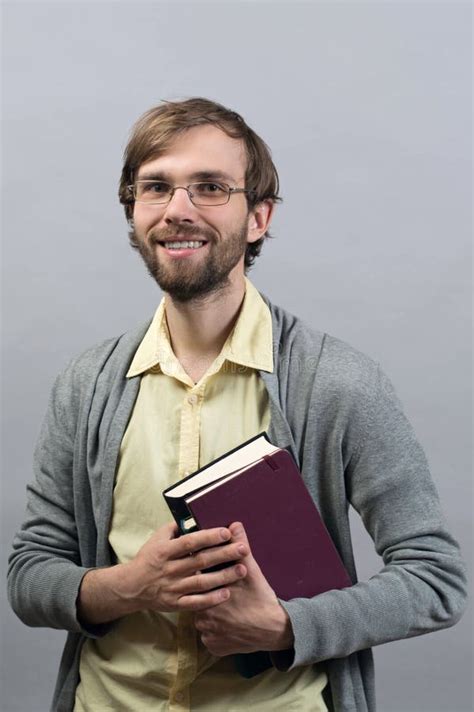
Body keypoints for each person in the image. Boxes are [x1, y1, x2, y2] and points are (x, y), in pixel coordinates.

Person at [8, 97, 467, 712]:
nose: (178, 210)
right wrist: (129, 587)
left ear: (258, 216)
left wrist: (287, 627)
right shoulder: (85, 384)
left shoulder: (339, 381)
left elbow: (435, 579)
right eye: (156, 188)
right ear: (133, 208)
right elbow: (28, 575)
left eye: (210, 188)